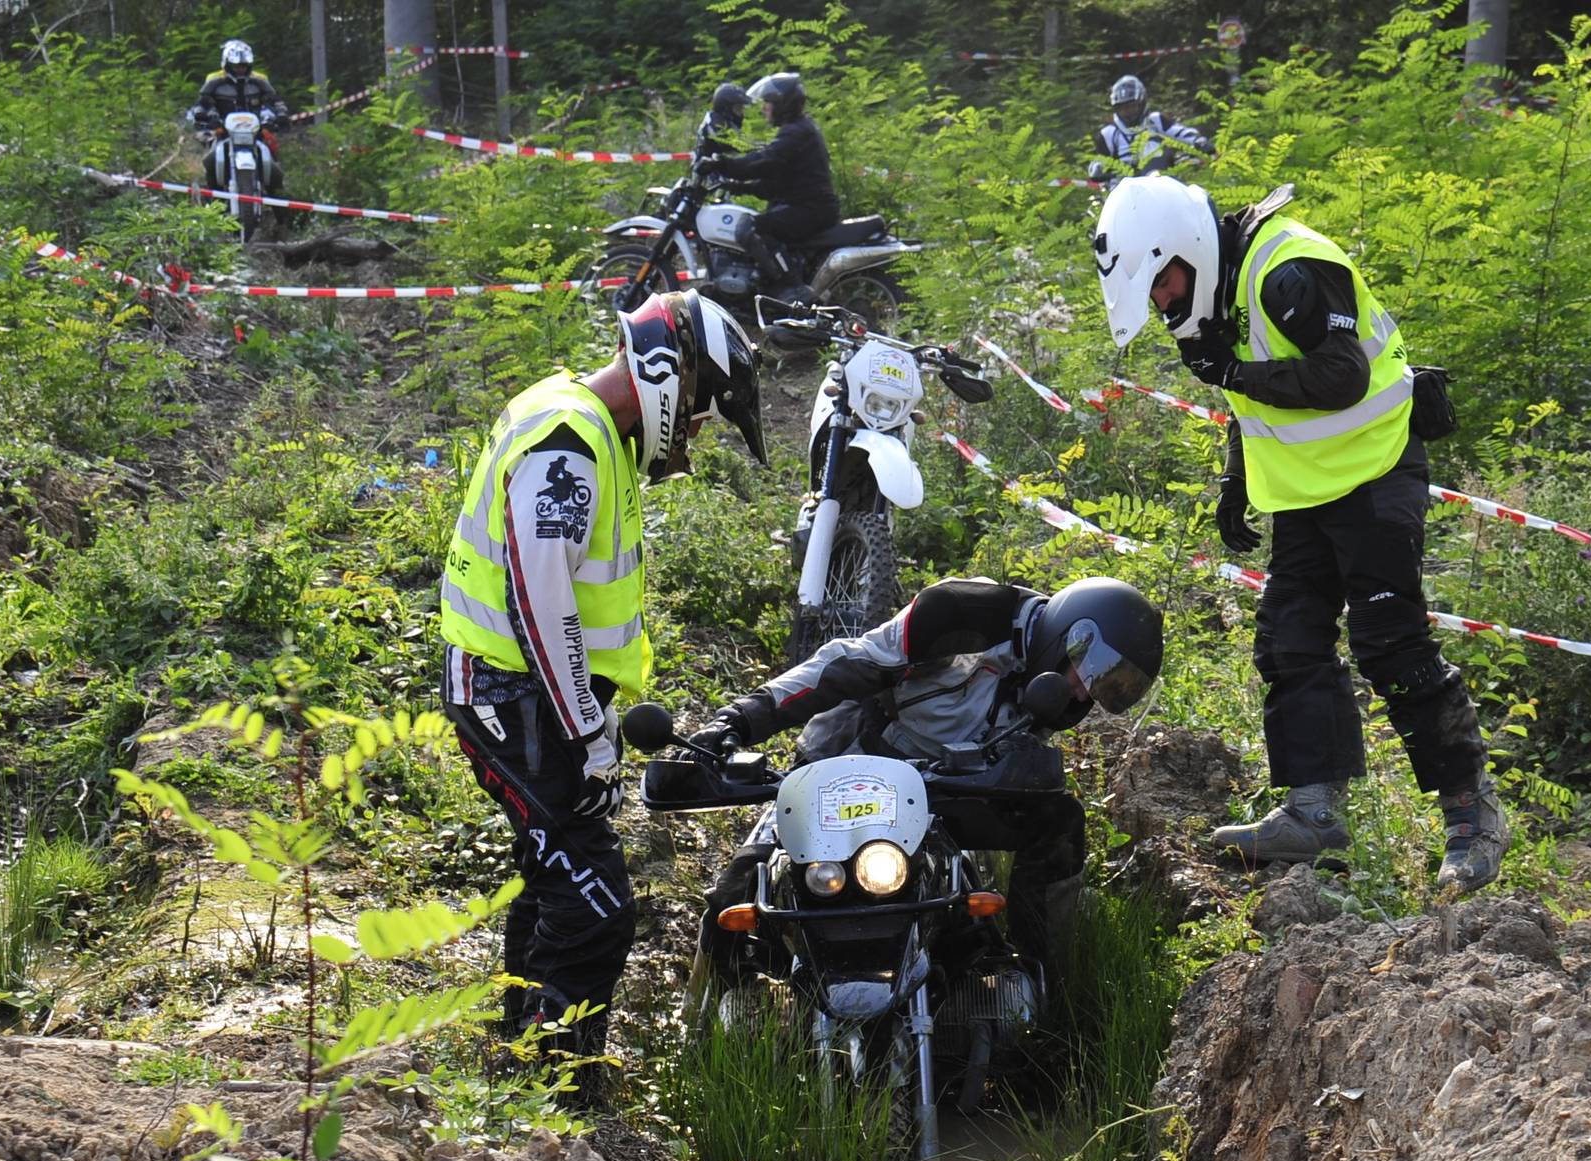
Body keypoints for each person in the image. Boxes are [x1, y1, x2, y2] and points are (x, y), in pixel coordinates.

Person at [1091, 175, 1510, 894]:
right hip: (1308, 489)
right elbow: (1247, 390)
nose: (1161, 303)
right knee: (1289, 640)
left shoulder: (1288, 271)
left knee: (1391, 642)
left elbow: (1341, 377)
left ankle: (1472, 817)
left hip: (1377, 469)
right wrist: (1236, 471)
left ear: (1181, 251)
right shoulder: (1213, 288)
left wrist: (1233, 370)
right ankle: (1313, 813)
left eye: (1160, 286)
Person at [440, 290, 766, 1073]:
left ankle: (513, 1064)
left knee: (553, 877)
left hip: (529, 695)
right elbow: (539, 600)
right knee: (597, 910)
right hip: (511, 697)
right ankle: (558, 1091)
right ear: (668, 374)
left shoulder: (588, 429)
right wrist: (587, 731)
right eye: (697, 412)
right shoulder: (569, 444)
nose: (693, 432)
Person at [689, 576, 1164, 999]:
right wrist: (742, 718)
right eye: (1093, 672)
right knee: (742, 886)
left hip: (943, 785)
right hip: (854, 757)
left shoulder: (1056, 694)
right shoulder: (959, 614)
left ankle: (1041, 987)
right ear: (1068, 635)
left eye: (1109, 687)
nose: (1088, 693)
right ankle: (704, 1022)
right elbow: (846, 664)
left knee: (1058, 822)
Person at [698, 71, 838, 301]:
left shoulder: (796, 132)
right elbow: (775, 184)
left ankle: (793, 289)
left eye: (769, 103)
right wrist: (736, 186)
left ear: (784, 105)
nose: (764, 108)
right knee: (762, 221)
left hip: (811, 209)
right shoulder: (798, 129)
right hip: (809, 205)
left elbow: (763, 161)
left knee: (753, 228)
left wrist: (721, 164)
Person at [191, 40, 289, 197]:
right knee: (209, 161)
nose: (240, 70)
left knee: (275, 168)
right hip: (224, 132)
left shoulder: (259, 82)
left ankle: (281, 211)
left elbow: (274, 101)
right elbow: (202, 103)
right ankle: (212, 201)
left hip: (255, 133)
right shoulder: (215, 82)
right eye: (236, 66)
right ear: (227, 64)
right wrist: (205, 116)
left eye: (244, 66)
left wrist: (281, 115)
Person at [1092, 75, 1211, 179]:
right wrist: (1098, 168)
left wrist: (1198, 141)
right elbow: (1099, 161)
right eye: (1123, 109)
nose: (1128, 112)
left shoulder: (1156, 121)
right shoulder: (1108, 134)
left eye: (1132, 107)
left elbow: (1181, 133)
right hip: (1123, 193)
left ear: (1142, 103)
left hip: (1162, 185)